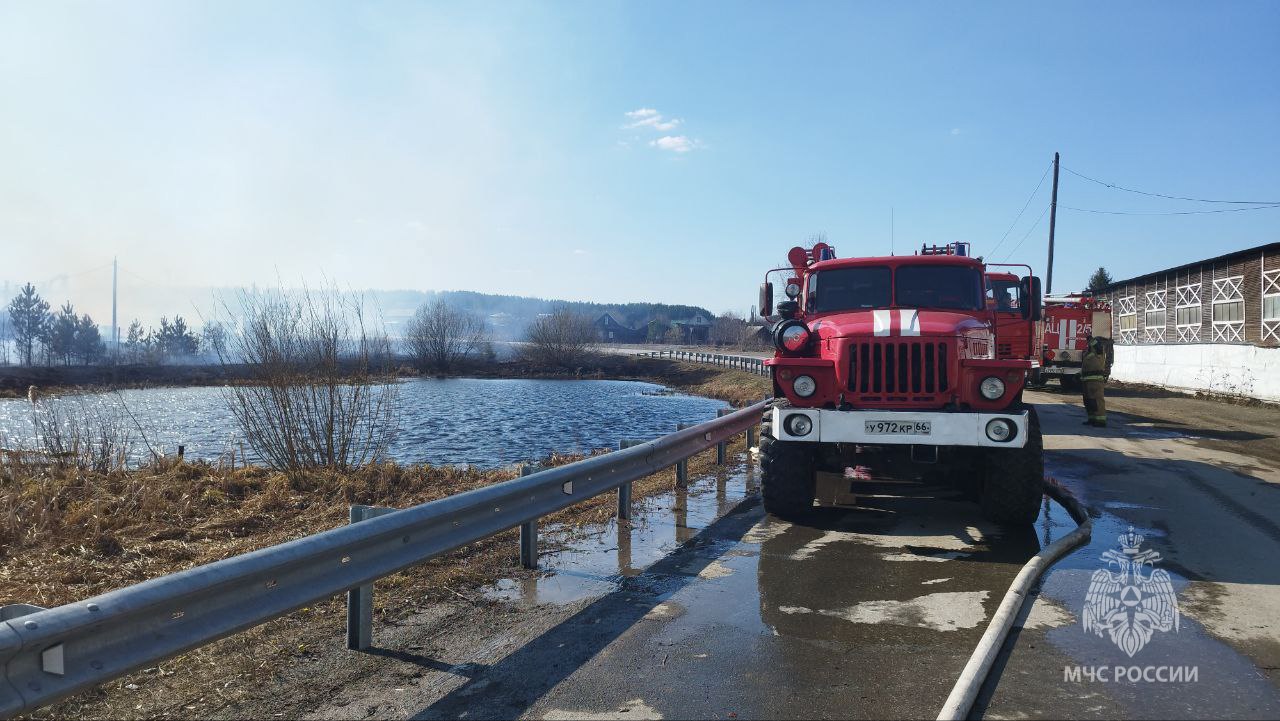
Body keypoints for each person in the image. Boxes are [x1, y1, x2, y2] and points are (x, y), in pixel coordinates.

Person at [1081, 336, 1108, 427]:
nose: (1088, 343)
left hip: (1095, 381)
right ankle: (1092, 418)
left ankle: (1100, 420)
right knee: (1089, 401)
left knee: (1097, 400)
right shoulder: (1089, 353)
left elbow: (1097, 345)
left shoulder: (1099, 351)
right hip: (1087, 380)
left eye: (1090, 342)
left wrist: (1090, 338)